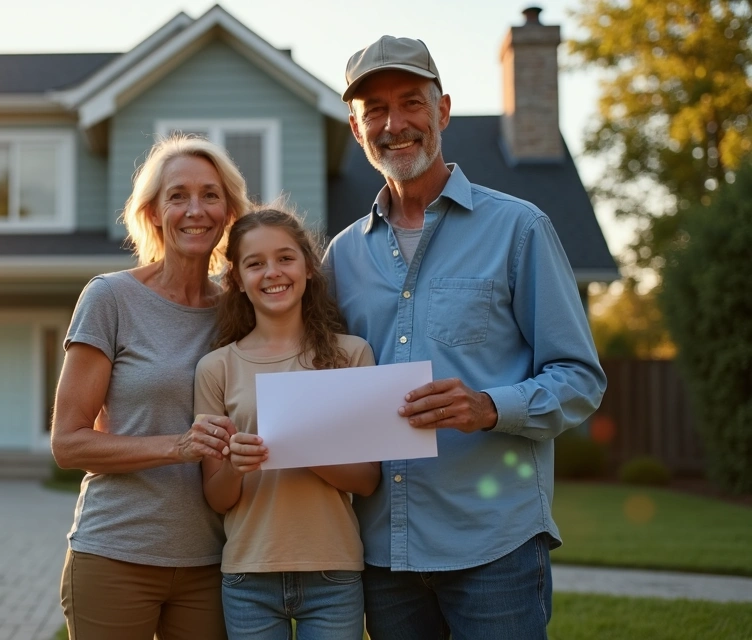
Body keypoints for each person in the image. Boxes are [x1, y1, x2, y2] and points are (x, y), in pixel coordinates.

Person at [322, 35, 607, 639]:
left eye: (411, 103)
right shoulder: (341, 256)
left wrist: (487, 407)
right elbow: (320, 379)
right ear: (355, 127)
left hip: (495, 547)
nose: (395, 124)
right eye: (375, 109)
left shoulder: (519, 229)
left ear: (443, 110)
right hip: (383, 553)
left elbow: (579, 377)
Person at [51, 134, 252, 640]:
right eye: (177, 195)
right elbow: (68, 442)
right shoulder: (110, 298)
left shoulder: (240, 309)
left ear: (228, 212)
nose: (195, 210)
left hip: (211, 561)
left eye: (210, 195)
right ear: (154, 212)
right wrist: (178, 447)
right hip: (115, 553)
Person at [196, 207, 380, 640]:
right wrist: (235, 466)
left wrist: (304, 447)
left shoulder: (352, 356)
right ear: (237, 279)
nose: (272, 273)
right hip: (248, 574)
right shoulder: (215, 368)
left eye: (285, 258)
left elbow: (368, 481)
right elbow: (217, 498)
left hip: (333, 571)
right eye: (254, 263)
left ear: (309, 267)